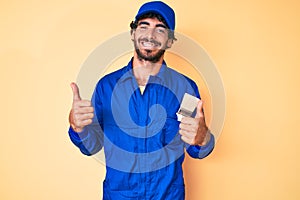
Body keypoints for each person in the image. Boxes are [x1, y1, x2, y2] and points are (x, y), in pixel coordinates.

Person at [68, 1, 215, 199]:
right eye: (144, 26)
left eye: (160, 29)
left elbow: (196, 150)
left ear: (170, 41)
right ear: (133, 34)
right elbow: (91, 146)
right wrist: (77, 127)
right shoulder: (107, 87)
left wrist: (202, 138)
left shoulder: (185, 89)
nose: (150, 35)